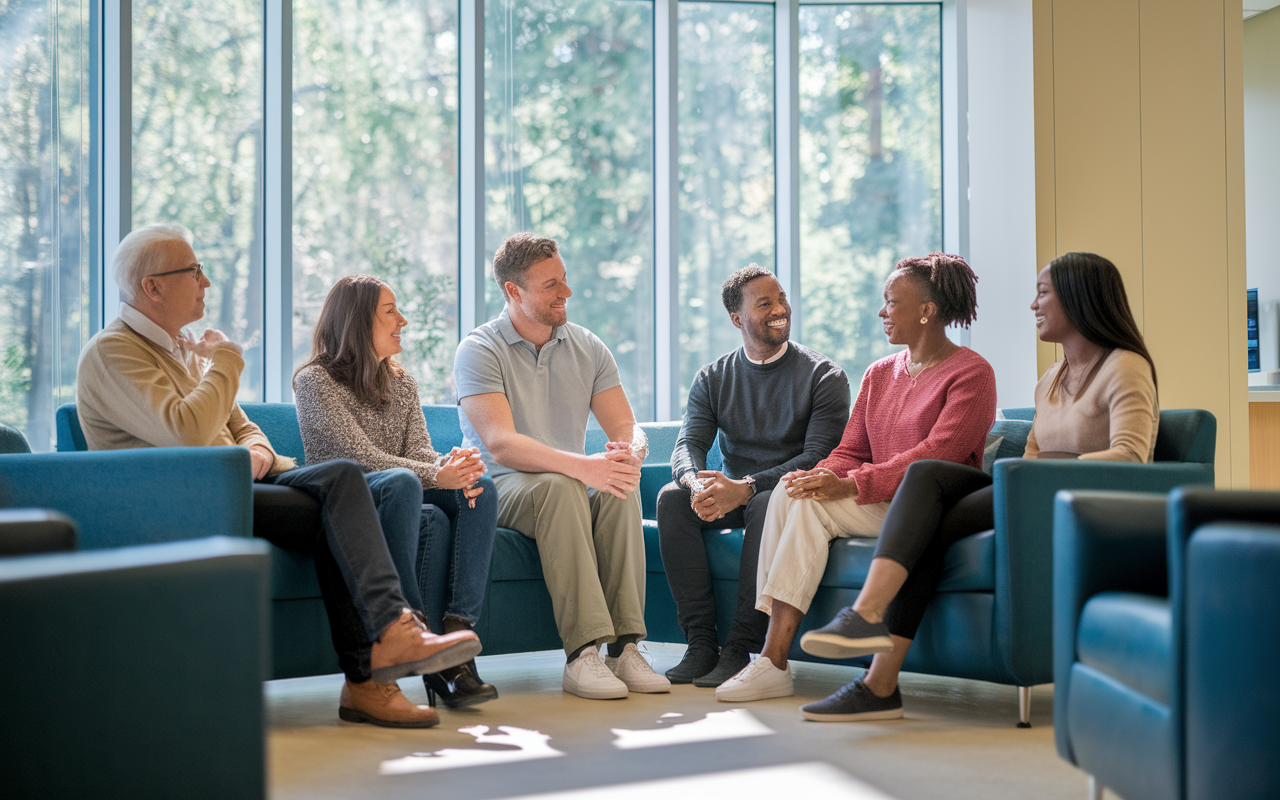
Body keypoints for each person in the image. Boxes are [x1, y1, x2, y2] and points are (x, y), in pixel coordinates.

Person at [75, 223, 479, 729]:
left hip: (237, 482)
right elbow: (185, 429)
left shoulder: (180, 347)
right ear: (151, 287)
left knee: (342, 481)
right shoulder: (115, 351)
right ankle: (379, 662)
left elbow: (246, 427)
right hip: (181, 495)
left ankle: (379, 663)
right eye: (194, 271)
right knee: (342, 495)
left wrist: (254, 450)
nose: (205, 282)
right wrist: (226, 362)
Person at [797, 251, 1158, 722]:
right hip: (1032, 488)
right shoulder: (1050, 379)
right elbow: (1031, 454)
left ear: (1080, 298)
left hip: (1082, 499)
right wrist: (1036, 469)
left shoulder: (1125, 366)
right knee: (927, 490)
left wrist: (1053, 467)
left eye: (1044, 293)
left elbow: (1131, 456)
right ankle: (878, 682)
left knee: (928, 480)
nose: (1033, 304)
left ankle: (871, 640)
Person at [714, 252, 997, 703]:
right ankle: (771, 660)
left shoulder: (972, 373)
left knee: (805, 505)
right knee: (791, 495)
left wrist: (851, 485)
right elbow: (850, 450)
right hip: (878, 500)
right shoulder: (880, 373)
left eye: (890, 302)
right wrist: (818, 476)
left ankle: (772, 657)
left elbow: (935, 455)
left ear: (926, 311)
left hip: (926, 510)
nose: (882, 312)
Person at [454, 232, 669, 700]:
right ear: (514, 291)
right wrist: (583, 468)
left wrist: (629, 452)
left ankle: (627, 646)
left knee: (618, 488)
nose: (566, 292)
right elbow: (502, 444)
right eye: (551, 285)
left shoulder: (587, 346)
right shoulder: (479, 349)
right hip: (502, 485)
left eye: (565, 279)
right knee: (563, 487)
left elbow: (626, 424)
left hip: (566, 479)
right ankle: (583, 653)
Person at [294, 274, 501, 709]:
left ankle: (453, 639)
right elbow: (355, 457)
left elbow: (419, 453)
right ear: (355, 321)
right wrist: (432, 475)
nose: (402, 320)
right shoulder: (314, 382)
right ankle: (410, 628)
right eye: (390, 312)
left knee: (477, 487)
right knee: (407, 485)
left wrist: (452, 467)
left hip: (404, 490)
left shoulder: (402, 382)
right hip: (350, 501)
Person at [657, 264, 850, 687]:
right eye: (766, 303)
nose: (780, 309)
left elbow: (819, 456)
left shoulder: (824, 375)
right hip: (732, 493)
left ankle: (740, 646)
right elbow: (688, 444)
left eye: (782, 299)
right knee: (671, 498)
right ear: (737, 318)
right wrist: (694, 482)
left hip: (785, 496)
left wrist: (746, 487)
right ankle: (700, 644)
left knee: (766, 501)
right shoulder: (712, 377)